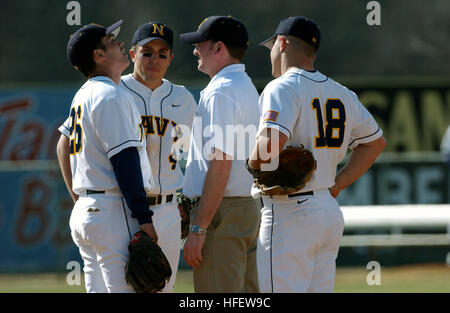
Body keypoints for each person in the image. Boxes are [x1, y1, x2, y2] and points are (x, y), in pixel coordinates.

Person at [247, 16, 387, 292]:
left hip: (289, 213)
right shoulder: (342, 92)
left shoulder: (282, 86)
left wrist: (251, 162)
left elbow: (267, 150)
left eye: (272, 46)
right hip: (327, 210)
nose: (271, 53)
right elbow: (375, 144)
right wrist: (337, 185)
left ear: (283, 43)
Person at [56, 20, 157, 293]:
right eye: (112, 42)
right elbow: (124, 161)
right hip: (112, 211)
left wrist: (81, 201)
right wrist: (144, 218)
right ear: (99, 55)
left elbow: (61, 145)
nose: (120, 43)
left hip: (86, 212)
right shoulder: (110, 95)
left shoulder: (83, 95)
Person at [179, 16, 261, 293]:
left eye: (200, 44)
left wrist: (198, 228)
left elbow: (220, 165)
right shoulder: (246, 85)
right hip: (245, 207)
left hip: (221, 212)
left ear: (218, 48)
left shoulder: (221, 92)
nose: (195, 50)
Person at [119, 21, 197, 292]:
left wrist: (187, 200)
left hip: (167, 210)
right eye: (147, 51)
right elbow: (66, 143)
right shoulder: (114, 91)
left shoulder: (183, 98)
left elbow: (195, 155)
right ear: (132, 55)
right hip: (122, 209)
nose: (155, 59)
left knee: (164, 287)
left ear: (171, 59)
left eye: (162, 53)